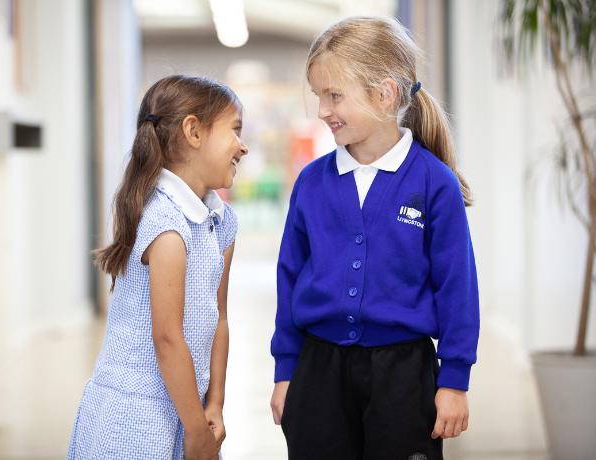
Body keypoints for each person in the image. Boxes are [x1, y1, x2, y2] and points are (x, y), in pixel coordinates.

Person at [270, 16, 480, 460]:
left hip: (404, 375)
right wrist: (286, 371)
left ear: (384, 94)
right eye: (318, 96)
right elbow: (289, 278)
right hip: (318, 371)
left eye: (334, 96)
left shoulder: (434, 183)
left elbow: (457, 287)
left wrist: (454, 380)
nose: (322, 110)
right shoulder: (310, 183)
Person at [68, 74, 248, 460]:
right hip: (133, 417)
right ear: (193, 132)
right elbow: (167, 338)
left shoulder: (222, 222)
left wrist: (214, 403)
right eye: (234, 130)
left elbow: (219, 319)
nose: (242, 146)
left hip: (188, 406)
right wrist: (196, 432)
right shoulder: (165, 222)